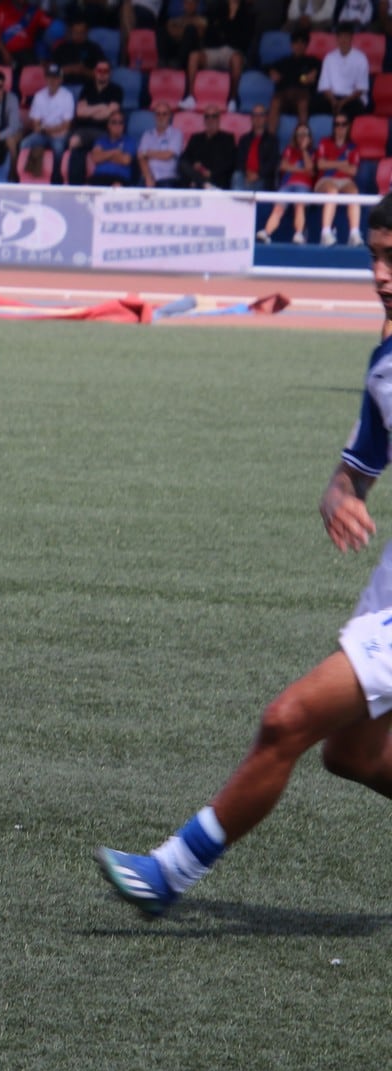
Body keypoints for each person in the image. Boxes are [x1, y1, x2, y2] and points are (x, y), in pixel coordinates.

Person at [98, 192, 392, 919]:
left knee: (287, 719)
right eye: (375, 257)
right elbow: (359, 464)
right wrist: (337, 494)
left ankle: (168, 873)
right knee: (348, 753)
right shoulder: (386, 361)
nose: (382, 275)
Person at [257, 120, 317, 241]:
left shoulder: (312, 152)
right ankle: (266, 233)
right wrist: (302, 170)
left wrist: (304, 150)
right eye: (299, 134)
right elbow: (283, 166)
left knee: (299, 205)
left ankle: (299, 233)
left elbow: (310, 169)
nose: (302, 137)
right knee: (278, 207)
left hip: (303, 185)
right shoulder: (289, 150)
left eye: (305, 134)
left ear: (309, 137)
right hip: (287, 183)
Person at [66, 58, 124, 183]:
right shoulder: (87, 88)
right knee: (74, 143)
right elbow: (80, 112)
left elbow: (109, 114)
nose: (102, 73)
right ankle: (75, 187)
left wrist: (90, 110)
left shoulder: (116, 90)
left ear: (110, 73)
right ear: (94, 72)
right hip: (84, 130)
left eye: (105, 70)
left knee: (99, 147)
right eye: (99, 70)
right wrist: (102, 107)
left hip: (104, 131)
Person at [314, 112, 364, 246]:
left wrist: (331, 162)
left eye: (343, 124)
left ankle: (354, 234)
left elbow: (353, 170)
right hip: (326, 179)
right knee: (332, 191)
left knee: (354, 193)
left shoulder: (353, 146)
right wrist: (342, 164)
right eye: (337, 124)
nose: (340, 127)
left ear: (348, 127)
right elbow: (320, 165)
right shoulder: (324, 142)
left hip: (346, 181)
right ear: (333, 127)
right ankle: (325, 233)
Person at [186, 0, 252, 95]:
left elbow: (243, 40)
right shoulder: (216, 9)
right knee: (194, 56)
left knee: (237, 59)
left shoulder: (247, 13)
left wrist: (225, 32)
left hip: (233, 52)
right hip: (213, 50)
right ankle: (190, 95)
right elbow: (210, 34)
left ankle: (233, 99)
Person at [20, 62, 74, 180]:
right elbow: (35, 123)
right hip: (43, 133)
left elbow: (66, 125)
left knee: (58, 147)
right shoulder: (39, 96)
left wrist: (45, 129)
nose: (52, 81)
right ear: (46, 78)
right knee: (25, 143)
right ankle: (25, 179)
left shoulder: (67, 96)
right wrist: (43, 129)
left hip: (59, 134)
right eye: (49, 77)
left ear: (60, 79)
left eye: (55, 77)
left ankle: (56, 178)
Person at [268, 28, 320, 132]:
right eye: (296, 43)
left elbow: (319, 71)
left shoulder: (312, 61)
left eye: (302, 43)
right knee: (275, 102)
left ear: (306, 46)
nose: (299, 46)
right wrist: (271, 72)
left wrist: (314, 74)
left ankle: (302, 140)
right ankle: (270, 141)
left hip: (301, 94)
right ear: (291, 45)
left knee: (303, 103)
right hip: (284, 94)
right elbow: (266, 67)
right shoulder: (284, 61)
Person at [318, 23, 371, 120]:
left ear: (351, 38)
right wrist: (333, 102)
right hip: (333, 98)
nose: (343, 40)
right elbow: (324, 87)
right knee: (315, 104)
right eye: (340, 37)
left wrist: (342, 103)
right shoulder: (329, 58)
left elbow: (360, 89)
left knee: (350, 110)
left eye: (346, 37)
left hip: (352, 99)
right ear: (337, 39)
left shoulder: (361, 58)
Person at [178, 104, 237, 187]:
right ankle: (203, 183)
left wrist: (211, 173)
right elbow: (185, 157)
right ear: (204, 119)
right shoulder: (196, 138)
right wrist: (194, 165)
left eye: (214, 116)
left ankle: (201, 183)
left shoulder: (227, 139)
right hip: (197, 175)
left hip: (216, 178)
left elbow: (230, 163)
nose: (210, 119)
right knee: (182, 164)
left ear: (219, 119)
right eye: (207, 116)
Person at [135, 100, 183, 187]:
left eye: (164, 114)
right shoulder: (147, 135)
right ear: (154, 116)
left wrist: (148, 153)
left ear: (169, 116)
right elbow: (141, 157)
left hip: (167, 178)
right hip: (148, 177)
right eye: (158, 114)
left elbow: (167, 155)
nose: (161, 117)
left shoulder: (176, 134)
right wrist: (148, 177)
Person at [234, 100, 279, 189]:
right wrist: (247, 173)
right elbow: (239, 160)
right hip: (245, 176)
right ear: (251, 118)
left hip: (262, 178)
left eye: (261, 115)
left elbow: (272, 163)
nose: (258, 118)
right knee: (237, 176)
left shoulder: (272, 140)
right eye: (255, 115)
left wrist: (257, 175)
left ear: (265, 118)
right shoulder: (244, 139)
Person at [85, 110, 135, 184]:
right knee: (86, 188)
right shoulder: (101, 140)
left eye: (120, 122)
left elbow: (125, 160)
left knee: (117, 188)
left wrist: (104, 156)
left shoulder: (129, 141)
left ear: (124, 125)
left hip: (119, 178)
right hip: (99, 176)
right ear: (108, 125)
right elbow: (96, 158)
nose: (117, 125)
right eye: (114, 122)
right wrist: (114, 152)